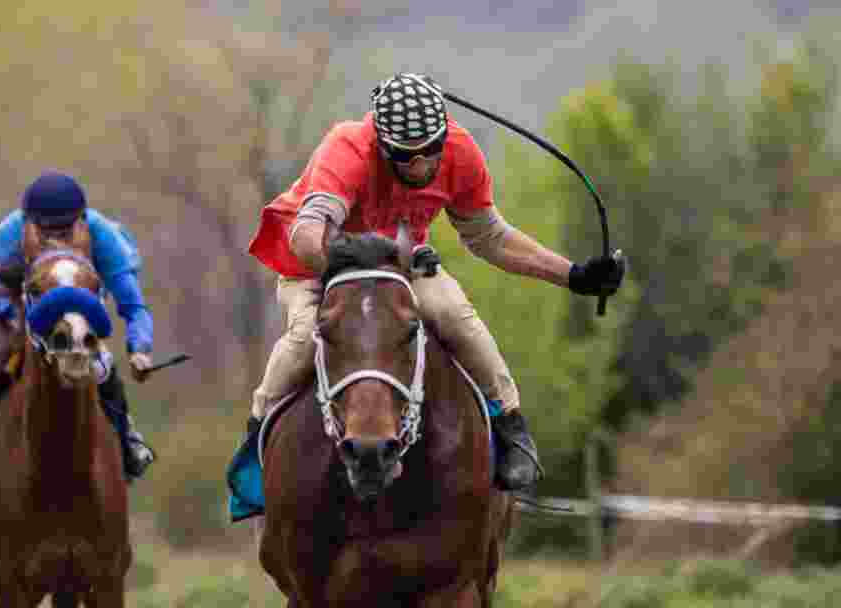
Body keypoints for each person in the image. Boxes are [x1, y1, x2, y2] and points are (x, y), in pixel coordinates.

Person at [240, 73, 625, 492]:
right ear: (381, 145)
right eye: (406, 157)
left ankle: (510, 425)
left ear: (445, 136)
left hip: (400, 267)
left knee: (454, 314)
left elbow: (491, 237)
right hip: (317, 266)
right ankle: (255, 443)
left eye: (431, 152)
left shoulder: (461, 152)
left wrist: (573, 275)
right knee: (303, 338)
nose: (422, 167)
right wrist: (346, 263)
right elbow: (305, 235)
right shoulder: (348, 146)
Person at [0, 172, 158, 483]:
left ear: (82, 221)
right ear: (28, 224)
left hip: (79, 326)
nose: (56, 240)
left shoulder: (103, 238)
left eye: (66, 231)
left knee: (103, 370)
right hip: (19, 318)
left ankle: (128, 439)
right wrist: (17, 318)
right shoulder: (8, 239)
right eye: (45, 232)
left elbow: (133, 305)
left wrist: (140, 348)